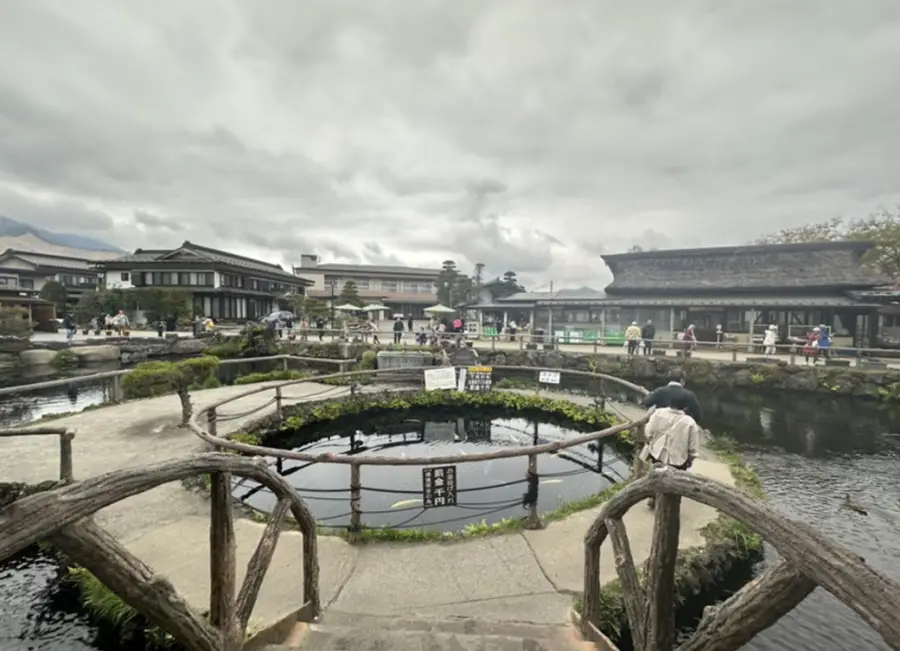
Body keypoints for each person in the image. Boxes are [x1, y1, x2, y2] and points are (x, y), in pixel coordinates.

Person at [643, 394, 700, 471]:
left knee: (651, 475)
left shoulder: (658, 413)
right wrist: (690, 459)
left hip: (655, 455)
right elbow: (693, 447)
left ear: (670, 403)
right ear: (686, 407)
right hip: (677, 462)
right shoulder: (690, 422)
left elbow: (648, 433)